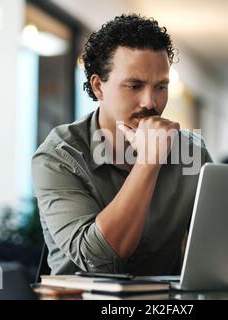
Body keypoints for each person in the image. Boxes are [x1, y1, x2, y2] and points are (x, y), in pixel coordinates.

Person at [31, 14, 212, 276]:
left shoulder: (192, 153)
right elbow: (101, 261)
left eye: (161, 86)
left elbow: (220, 245)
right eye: (134, 85)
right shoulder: (58, 157)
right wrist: (149, 161)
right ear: (98, 87)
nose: (151, 102)